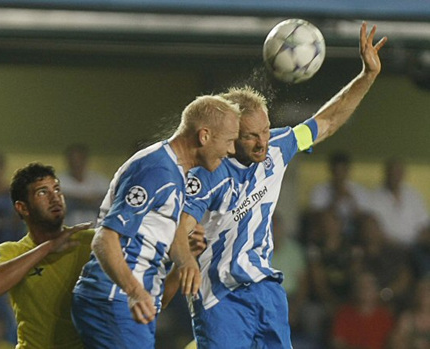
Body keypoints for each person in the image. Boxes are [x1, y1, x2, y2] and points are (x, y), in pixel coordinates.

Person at [166, 22, 387, 348]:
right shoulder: (206, 174)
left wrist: (366, 76)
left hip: (266, 290)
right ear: (230, 138)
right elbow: (181, 228)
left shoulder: (280, 146)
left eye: (266, 131)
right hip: (219, 297)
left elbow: (325, 122)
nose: (262, 143)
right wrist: (185, 258)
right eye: (251, 136)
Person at [71, 94, 241, 348]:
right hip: (115, 299)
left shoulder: (175, 171)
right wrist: (134, 292)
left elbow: (156, 234)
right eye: (229, 141)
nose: (232, 151)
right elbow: (105, 239)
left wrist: (184, 256)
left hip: (125, 301)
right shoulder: (157, 170)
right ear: (204, 136)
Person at [0, 163, 94, 349]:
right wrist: (48, 248)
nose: (55, 197)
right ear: (23, 208)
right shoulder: (13, 251)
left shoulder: (91, 241)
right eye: (42, 192)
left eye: (57, 189)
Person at [309, 151, 371, 235]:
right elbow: (317, 217)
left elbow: (364, 217)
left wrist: (351, 200)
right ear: (331, 171)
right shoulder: (320, 190)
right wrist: (336, 199)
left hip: (354, 231)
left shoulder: (359, 190)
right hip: (327, 232)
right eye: (336, 171)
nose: (339, 175)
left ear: (347, 171)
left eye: (342, 171)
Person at [370, 157, 429, 247]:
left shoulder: (413, 195)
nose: (395, 176)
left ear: (404, 174)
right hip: (387, 246)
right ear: (386, 173)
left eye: (398, 172)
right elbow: (374, 229)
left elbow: (424, 223)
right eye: (392, 172)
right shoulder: (374, 197)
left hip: (416, 246)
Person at [330, 271, 395, 349]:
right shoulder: (344, 314)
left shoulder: (386, 317)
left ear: (376, 291)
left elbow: (392, 343)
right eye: (361, 285)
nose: (365, 289)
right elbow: (338, 344)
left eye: (369, 285)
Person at [58, 143, 111, 226]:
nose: (76, 163)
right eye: (73, 160)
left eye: (79, 159)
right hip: (68, 231)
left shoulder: (100, 180)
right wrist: (85, 199)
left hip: (96, 231)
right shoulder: (59, 180)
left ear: (85, 160)